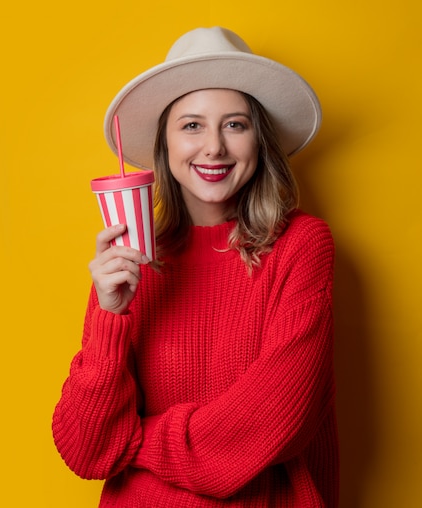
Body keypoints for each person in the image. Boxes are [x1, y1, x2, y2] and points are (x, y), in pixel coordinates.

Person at [52, 26, 338, 507]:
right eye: (191, 125)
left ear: (259, 141)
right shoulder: (128, 262)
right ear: (164, 145)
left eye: (235, 124)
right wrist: (109, 316)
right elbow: (87, 451)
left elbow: (272, 421)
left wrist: (137, 442)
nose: (214, 148)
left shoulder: (301, 246)